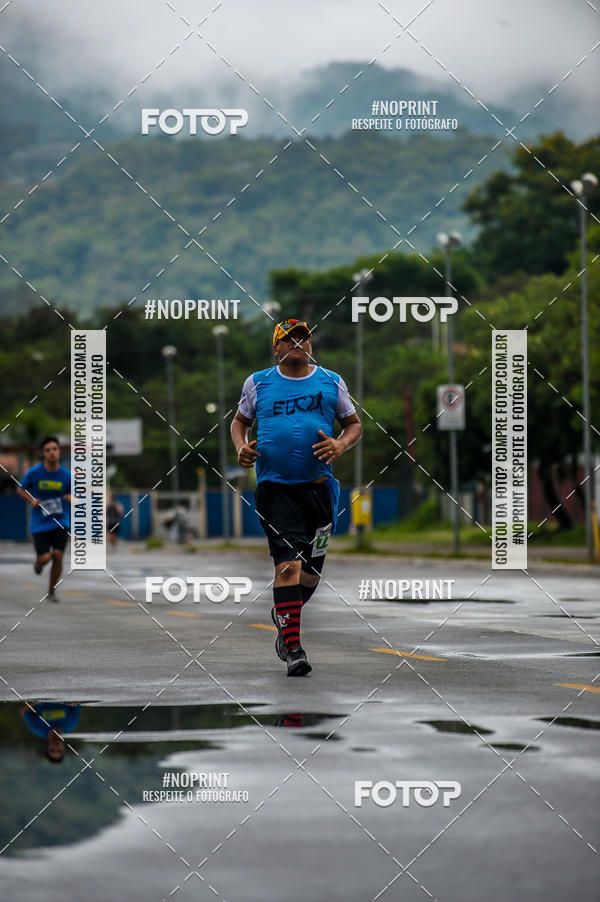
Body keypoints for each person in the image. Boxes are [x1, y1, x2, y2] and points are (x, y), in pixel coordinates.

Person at [231, 319, 362, 676]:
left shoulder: (331, 381)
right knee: (287, 565)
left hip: (319, 490)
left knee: (310, 576)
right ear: (276, 349)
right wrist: (241, 447)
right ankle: (293, 648)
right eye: (287, 339)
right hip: (275, 490)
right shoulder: (258, 383)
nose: (296, 343)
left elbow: (353, 425)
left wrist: (340, 443)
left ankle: (284, 614)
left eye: (302, 337)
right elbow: (239, 422)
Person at [17, 436, 71, 603]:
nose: (52, 453)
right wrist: (32, 500)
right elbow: (21, 489)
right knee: (46, 557)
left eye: (54, 449)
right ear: (44, 453)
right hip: (40, 522)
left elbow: (77, 495)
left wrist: (71, 497)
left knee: (57, 555)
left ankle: (51, 590)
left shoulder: (66, 474)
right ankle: (39, 564)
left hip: (61, 521)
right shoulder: (34, 472)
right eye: (48, 450)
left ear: (59, 451)